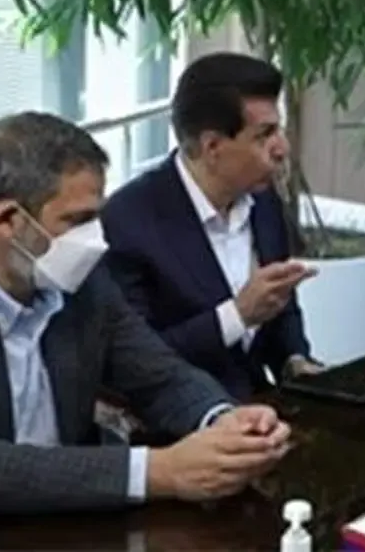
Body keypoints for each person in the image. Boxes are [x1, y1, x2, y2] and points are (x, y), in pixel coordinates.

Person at [0, 113, 291, 546]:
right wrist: (163, 471)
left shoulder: (80, 280)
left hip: (66, 523)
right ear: (8, 221)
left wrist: (222, 419)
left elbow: (157, 373)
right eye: (78, 221)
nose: (96, 239)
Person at [101, 53, 320, 401]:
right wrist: (236, 316)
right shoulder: (128, 220)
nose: (282, 148)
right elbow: (133, 362)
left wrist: (296, 361)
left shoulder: (263, 199)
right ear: (213, 147)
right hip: (181, 416)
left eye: (278, 130)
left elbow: (280, 307)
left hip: (263, 406)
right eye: (264, 135)